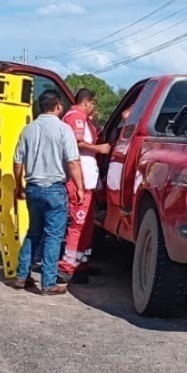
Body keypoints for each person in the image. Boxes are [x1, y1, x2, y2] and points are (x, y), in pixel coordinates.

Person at [11, 90, 84, 295]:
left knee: (33, 232)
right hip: (54, 189)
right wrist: (79, 187)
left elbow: (17, 163)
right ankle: (48, 283)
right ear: (58, 106)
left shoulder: (27, 130)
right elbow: (73, 161)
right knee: (53, 236)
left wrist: (19, 186)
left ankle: (21, 276)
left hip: (33, 188)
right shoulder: (64, 130)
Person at [58, 89, 110, 283]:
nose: (94, 108)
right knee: (78, 225)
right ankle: (67, 268)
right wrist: (100, 149)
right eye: (93, 104)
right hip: (78, 180)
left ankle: (81, 264)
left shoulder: (85, 120)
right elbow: (76, 144)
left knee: (86, 226)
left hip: (87, 181)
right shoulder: (75, 118)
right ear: (87, 102)